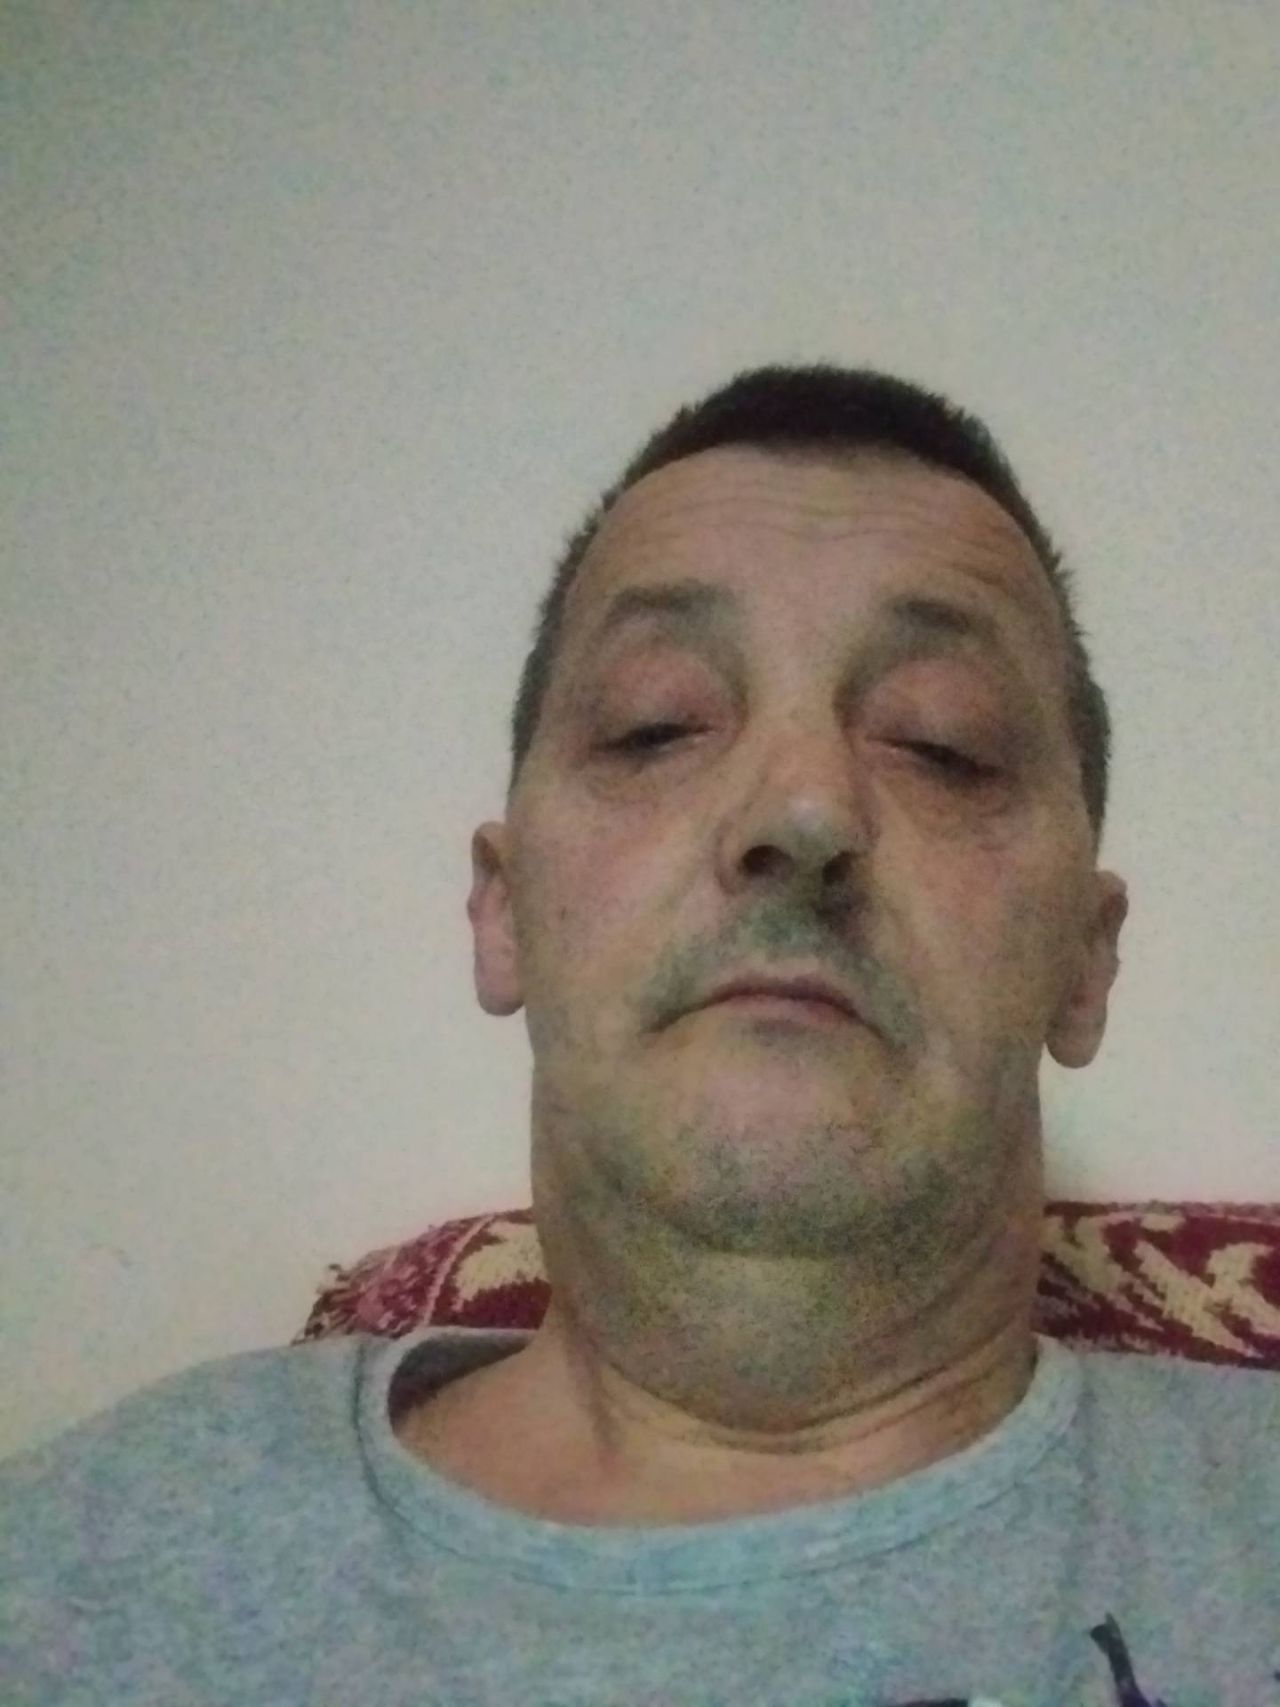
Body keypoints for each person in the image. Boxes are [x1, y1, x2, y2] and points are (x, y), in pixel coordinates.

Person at [2, 365, 1275, 1706]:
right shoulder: (76, 1578)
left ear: (1086, 959)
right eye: (657, 723)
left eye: (940, 743)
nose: (803, 808)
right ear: (504, 912)